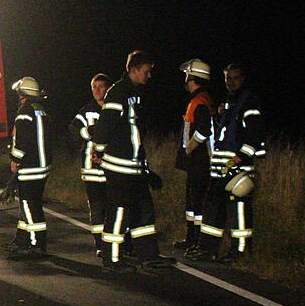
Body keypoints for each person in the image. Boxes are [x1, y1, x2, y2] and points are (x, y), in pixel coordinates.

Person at [92, 50, 174, 272]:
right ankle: (111, 259)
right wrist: (98, 151)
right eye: (146, 71)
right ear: (134, 70)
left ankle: (148, 255)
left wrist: (144, 167)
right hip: (119, 167)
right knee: (119, 211)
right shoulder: (118, 93)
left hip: (134, 167)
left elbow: (135, 132)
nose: (149, 76)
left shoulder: (135, 93)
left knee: (144, 211)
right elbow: (104, 128)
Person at [189, 63, 266, 263]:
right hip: (221, 168)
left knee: (239, 209)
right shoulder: (229, 103)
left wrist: (240, 157)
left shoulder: (249, 102)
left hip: (238, 168)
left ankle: (240, 253)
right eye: (227, 78)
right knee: (213, 209)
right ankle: (207, 249)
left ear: (243, 78)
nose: (231, 82)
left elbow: (255, 135)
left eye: (235, 77)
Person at [174, 59, 214, 253]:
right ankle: (191, 239)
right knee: (192, 204)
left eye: (186, 76)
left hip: (200, 162)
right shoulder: (199, 99)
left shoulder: (200, 101)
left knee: (198, 204)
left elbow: (203, 131)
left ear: (192, 77)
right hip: (195, 163)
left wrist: (189, 148)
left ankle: (198, 242)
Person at [8, 77, 50, 257]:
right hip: (42, 166)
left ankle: (36, 244)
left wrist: (14, 159)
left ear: (22, 94)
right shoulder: (41, 111)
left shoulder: (24, 111)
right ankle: (22, 239)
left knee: (29, 205)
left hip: (30, 167)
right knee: (31, 205)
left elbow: (22, 141)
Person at [68, 73, 109, 255]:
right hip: (91, 170)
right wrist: (90, 132)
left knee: (114, 207)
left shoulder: (114, 108)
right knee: (97, 209)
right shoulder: (86, 111)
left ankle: (118, 243)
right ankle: (100, 244)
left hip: (112, 168)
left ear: (108, 88)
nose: (97, 91)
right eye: (94, 87)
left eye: (101, 87)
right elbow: (73, 130)